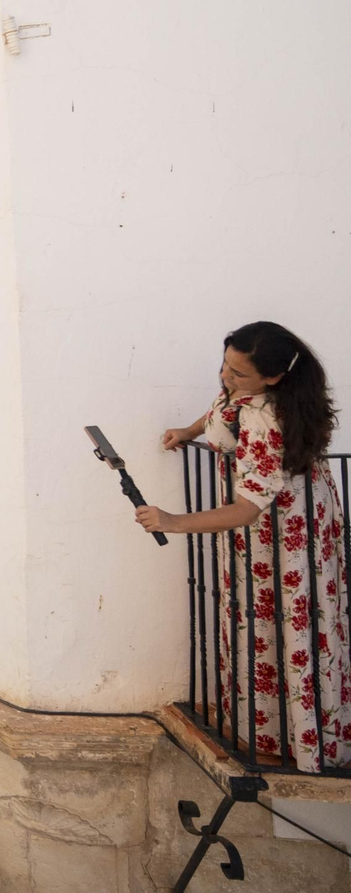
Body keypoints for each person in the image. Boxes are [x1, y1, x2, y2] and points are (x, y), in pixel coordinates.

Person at [137, 321, 350, 772]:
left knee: (290, 626)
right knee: (263, 625)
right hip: (269, 531)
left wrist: (174, 522)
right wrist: (190, 430)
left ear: (274, 378)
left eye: (239, 373)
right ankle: (270, 730)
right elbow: (221, 407)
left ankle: (301, 743)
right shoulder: (243, 395)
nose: (226, 379)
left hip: (285, 536)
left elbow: (248, 508)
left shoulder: (266, 418)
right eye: (224, 366)